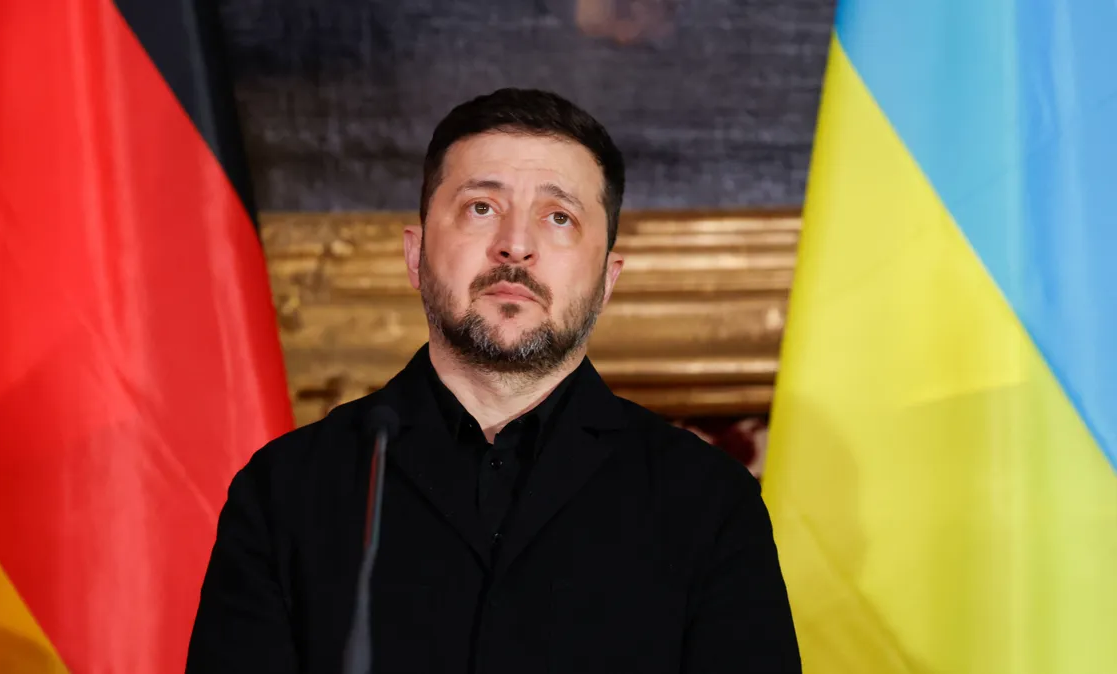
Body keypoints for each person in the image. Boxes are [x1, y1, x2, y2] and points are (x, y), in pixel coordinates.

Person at [186, 88, 801, 673]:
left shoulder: (706, 503)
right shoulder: (287, 490)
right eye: (482, 208)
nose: (515, 246)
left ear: (607, 279)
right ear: (415, 254)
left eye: (558, 217)